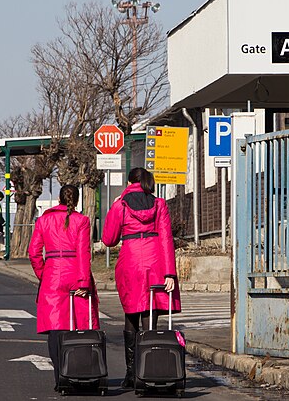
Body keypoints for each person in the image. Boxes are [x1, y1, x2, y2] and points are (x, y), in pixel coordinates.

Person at [102, 167, 181, 389]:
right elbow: (166, 239)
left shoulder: (121, 205)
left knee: (131, 313)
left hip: (131, 261)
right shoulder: (159, 204)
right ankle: (148, 370)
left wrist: (115, 207)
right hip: (155, 260)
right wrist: (169, 273)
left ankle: (131, 372)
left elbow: (108, 239)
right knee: (151, 312)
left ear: (129, 183)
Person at [28, 185, 99, 391]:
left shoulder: (44, 220)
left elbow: (33, 252)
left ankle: (60, 377)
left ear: (59, 199)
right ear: (76, 200)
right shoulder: (82, 221)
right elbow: (84, 254)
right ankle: (80, 373)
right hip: (76, 273)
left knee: (55, 328)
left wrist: (44, 274)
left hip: (52, 274)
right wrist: (84, 283)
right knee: (80, 325)